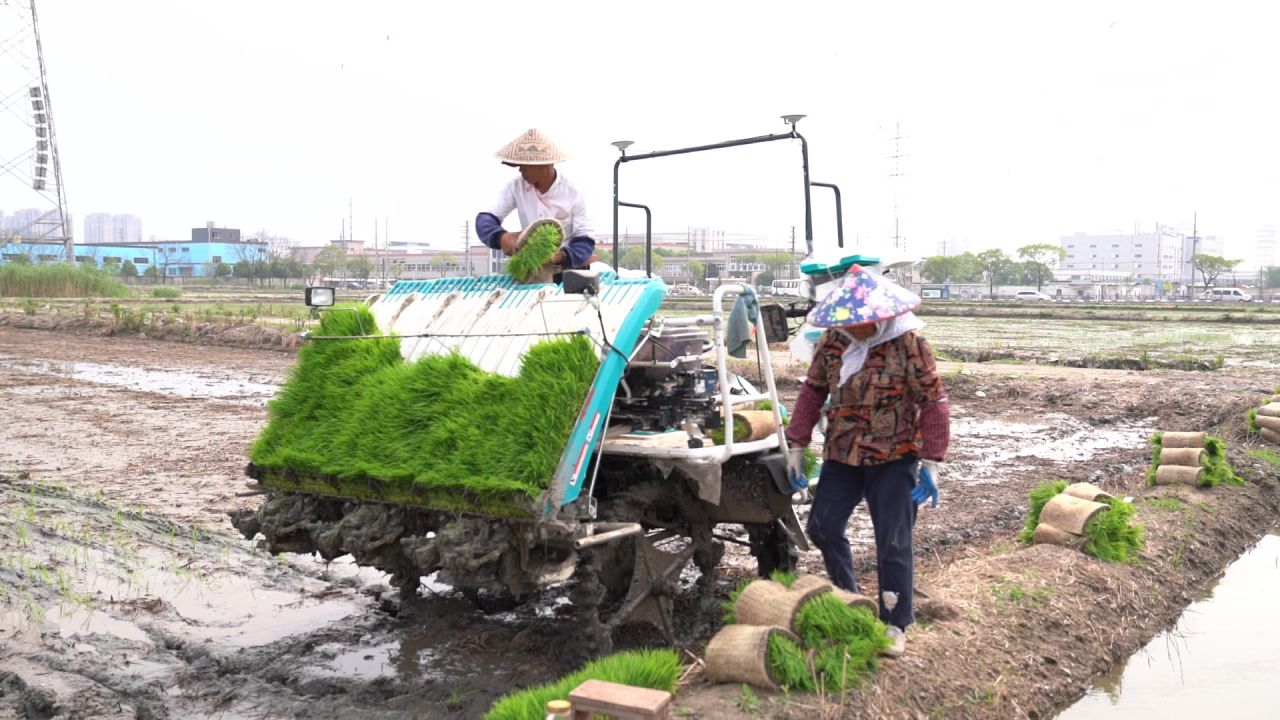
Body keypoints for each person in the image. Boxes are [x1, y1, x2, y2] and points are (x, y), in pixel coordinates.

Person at [783, 264, 950, 658]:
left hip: (894, 456)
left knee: (893, 540)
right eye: (850, 323)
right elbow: (812, 390)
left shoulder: (908, 343)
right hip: (842, 453)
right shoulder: (832, 342)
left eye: (863, 322)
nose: (856, 329)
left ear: (882, 316)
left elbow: (933, 401)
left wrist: (932, 461)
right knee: (822, 526)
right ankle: (850, 599)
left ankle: (896, 621)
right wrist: (796, 444)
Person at [475, 128, 596, 272]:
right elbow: (485, 218)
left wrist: (561, 256)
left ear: (545, 165)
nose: (520, 170)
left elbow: (585, 239)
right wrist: (501, 237)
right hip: (535, 271)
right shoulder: (516, 187)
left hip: (569, 272)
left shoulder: (573, 193)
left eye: (525, 165)